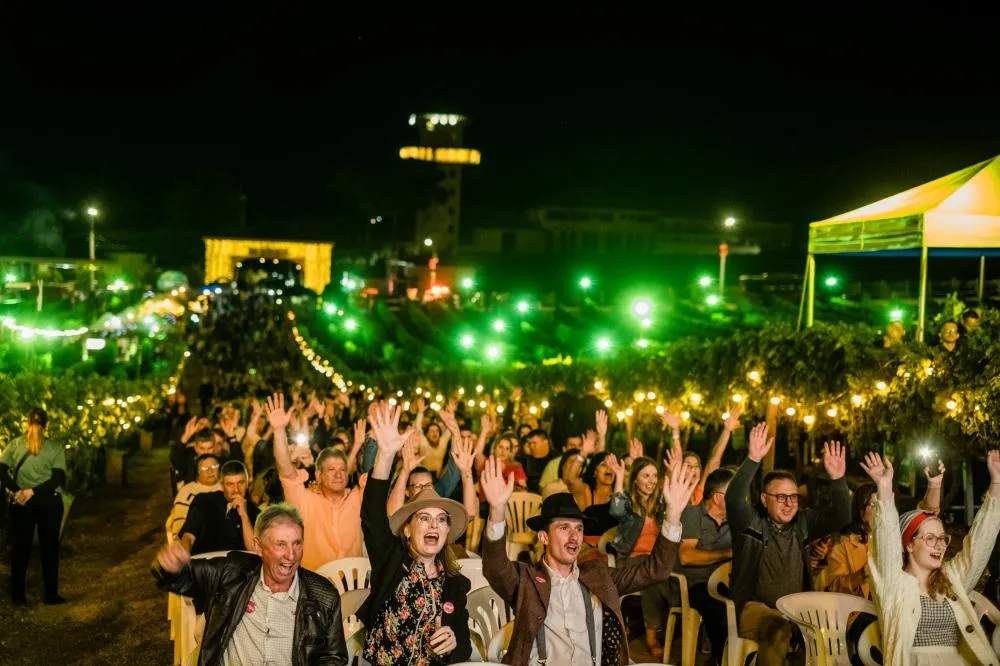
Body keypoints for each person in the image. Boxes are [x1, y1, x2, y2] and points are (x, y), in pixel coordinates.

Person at [480, 453, 698, 666]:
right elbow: (495, 568)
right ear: (544, 537)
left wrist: (673, 514)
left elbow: (656, 570)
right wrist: (497, 510)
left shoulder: (598, 575)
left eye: (579, 529)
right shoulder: (526, 579)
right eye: (564, 528)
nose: (574, 536)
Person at [153, 503, 348, 666]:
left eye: (297, 543)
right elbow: (181, 580)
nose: (291, 555)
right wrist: (171, 566)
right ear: (258, 546)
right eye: (280, 544)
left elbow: (334, 657)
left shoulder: (323, 595)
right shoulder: (230, 574)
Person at [725, 423, 851, 666]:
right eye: (781, 497)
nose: (789, 503)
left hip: (797, 608)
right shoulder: (750, 522)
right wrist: (753, 459)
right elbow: (733, 499)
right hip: (754, 608)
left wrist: (837, 479)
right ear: (764, 499)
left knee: (827, 632)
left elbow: (842, 518)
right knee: (779, 629)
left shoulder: (802, 522)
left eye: (793, 497)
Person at [862, 451, 1000, 666]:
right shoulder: (894, 584)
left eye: (942, 538)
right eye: (929, 538)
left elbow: (980, 543)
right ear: (909, 545)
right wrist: (885, 487)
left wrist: (997, 482)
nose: (939, 545)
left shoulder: (952, 578)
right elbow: (886, 541)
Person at [359, 403, 473, 665]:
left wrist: (453, 642)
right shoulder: (390, 560)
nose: (434, 525)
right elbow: (372, 515)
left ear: (447, 531)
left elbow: (464, 647)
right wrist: (386, 455)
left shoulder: (455, 584)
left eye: (441, 520)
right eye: (424, 518)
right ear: (407, 529)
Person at [266, 392, 363, 569]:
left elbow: (379, 479)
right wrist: (279, 431)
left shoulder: (357, 498)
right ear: (318, 475)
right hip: (316, 583)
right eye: (331, 470)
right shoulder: (305, 501)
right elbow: (286, 472)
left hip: (356, 584)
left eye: (342, 469)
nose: (338, 474)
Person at [0, 408, 66, 605]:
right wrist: (35, 491)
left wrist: (18, 491)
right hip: (49, 503)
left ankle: (18, 596)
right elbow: (58, 478)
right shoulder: (55, 448)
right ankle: (51, 595)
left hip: (22, 504)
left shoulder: (15, 444)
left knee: (20, 549)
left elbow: (1, 471)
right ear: (47, 425)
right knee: (49, 549)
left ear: (27, 423)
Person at [676, 468, 735, 663]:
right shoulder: (692, 515)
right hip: (695, 584)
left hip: (726, 581)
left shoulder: (735, 519)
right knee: (719, 606)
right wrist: (726, 553)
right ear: (717, 497)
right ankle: (722, 658)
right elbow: (686, 556)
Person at [179, 460, 259, 555]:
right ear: (222, 485)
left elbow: (254, 551)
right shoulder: (204, 501)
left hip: (237, 562)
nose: (236, 490)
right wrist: (183, 556)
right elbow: (188, 536)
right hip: (203, 561)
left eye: (241, 483)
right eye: (230, 484)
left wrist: (244, 515)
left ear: (248, 484)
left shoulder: (254, 512)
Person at [166, 453, 222, 540]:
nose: (210, 471)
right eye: (205, 468)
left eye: (214, 466)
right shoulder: (187, 492)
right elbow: (179, 525)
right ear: (198, 471)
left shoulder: (228, 487)